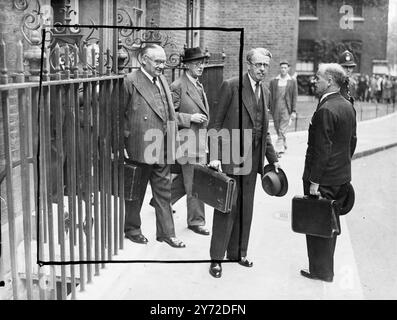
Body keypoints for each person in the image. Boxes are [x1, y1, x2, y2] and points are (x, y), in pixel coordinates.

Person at [207, 48, 281, 278]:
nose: (262, 69)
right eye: (258, 64)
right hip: (230, 158)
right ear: (248, 64)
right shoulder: (231, 86)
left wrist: (273, 159)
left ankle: (238, 253)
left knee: (246, 209)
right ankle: (216, 259)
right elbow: (215, 124)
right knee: (226, 208)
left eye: (265, 65)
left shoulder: (266, 92)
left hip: (253, 161)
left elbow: (263, 131)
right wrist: (215, 156)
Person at [123, 44, 185, 248]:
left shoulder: (162, 80)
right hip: (140, 145)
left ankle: (166, 233)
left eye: (163, 61)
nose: (162, 66)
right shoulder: (130, 81)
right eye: (157, 61)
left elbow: (169, 112)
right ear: (143, 60)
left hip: (163, 145)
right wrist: (122, 144)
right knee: (136, 191)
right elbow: (118, 115)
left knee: (164, 192)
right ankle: (132, 229)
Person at [300, 63, 357, 282]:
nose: (314, 81)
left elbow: (322, 151)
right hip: (340, 177)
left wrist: (314, 181)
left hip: (322, 180)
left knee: (316, 226)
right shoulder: (347, 105)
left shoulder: (325, 109)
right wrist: (341, 165)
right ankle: (325, 269)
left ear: (330, 81)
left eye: (318, 78)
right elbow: (352, 142)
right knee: (330, 225)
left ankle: (320, 272)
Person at [169, 47, 210, 236]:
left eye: (202, 63)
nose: (201, 66)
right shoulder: (178, 85)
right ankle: (196, 221)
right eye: (196, 63)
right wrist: (189, 118)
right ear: (186, 65)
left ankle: (162, 199)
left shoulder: (197, 84)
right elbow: (167, 116)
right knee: (195, 182)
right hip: (187, 142)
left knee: (188, 178)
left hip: (198, 141)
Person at [269, 60, 298, 156]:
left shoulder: (292, 82)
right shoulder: (274, 81)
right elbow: (270, 95)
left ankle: (277, 150)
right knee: (278, 128)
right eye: (282, 68)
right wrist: (269, 108)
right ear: (279, 68)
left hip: (286, 108)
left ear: (288, 69)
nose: (283, 69)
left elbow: (294, 96)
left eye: (285, 68)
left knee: (282, 129)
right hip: (276, 108)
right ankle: (283, 143)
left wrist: (293, 110)